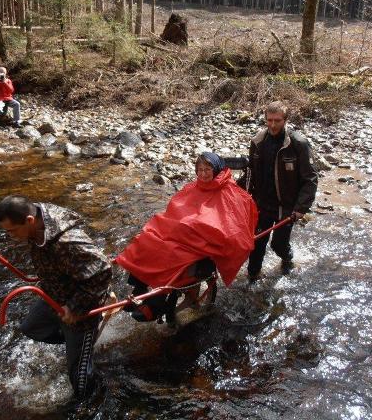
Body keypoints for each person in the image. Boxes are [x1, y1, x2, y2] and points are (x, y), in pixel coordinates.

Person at [115, 152, 258, 323]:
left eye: (208, 170)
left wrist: (199, 228)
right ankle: (139, 288)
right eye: (200, 170)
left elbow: (232, 227)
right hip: (180, 235)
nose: (203, 174)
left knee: (172, 254)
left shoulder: (231, 193)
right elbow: (174, 211)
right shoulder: (192, 187)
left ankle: (156, 303)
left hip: (201, 245)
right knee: (147, 239)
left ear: (217, 170)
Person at [0, 195, 112, 398]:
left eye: (13, 231)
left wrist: (75, 307)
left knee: (81, 383)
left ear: (29, 221)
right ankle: (78, 348)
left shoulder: (66, 241)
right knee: (32, 328)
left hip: (81, 306)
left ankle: (94, 394)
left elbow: (102, 270)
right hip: (53, 294)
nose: (11, 237)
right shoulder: (36, 216)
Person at [241, 101, 318, 283]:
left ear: (286, 120)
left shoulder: (299, 143)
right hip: (262, 204)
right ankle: (253, 276)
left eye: (277, 120)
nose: (273, 125)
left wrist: (301, 207)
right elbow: (250, 174)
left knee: (278, 245)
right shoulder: (258, 142)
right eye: (269, 120)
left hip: (287, 208)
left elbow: (310, 179)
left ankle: (288, 259)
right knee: (256, 244)